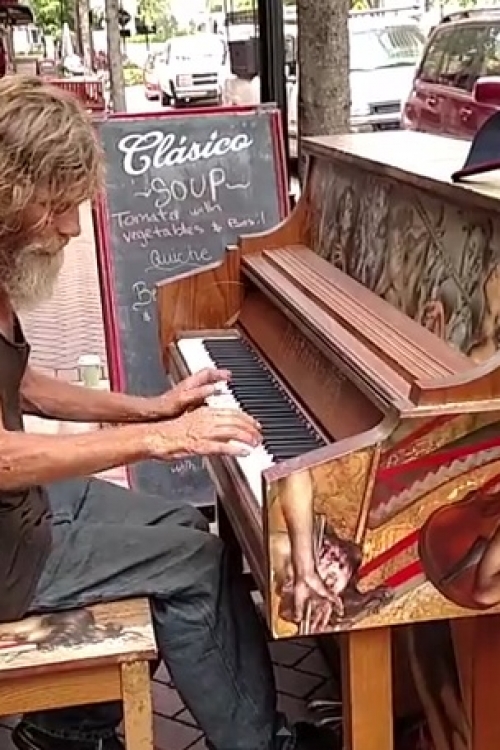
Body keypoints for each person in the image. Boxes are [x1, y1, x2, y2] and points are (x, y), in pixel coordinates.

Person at [0, 75, 338, 750]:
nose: (70, 227)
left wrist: (149, 409)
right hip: (8, 553)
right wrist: (161, 439)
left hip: (21, 511)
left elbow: (23, 385)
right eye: (55, 206)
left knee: (182, 522)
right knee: (195, 564)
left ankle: (69, 728)